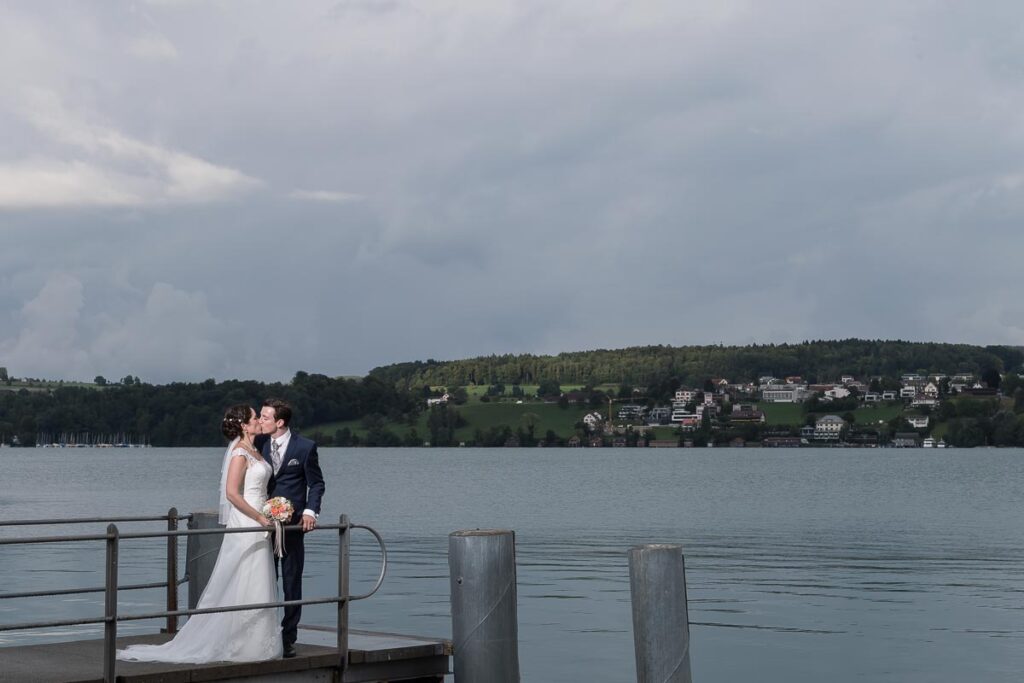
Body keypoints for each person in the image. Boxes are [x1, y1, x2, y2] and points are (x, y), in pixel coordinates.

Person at [118, 405, 283, 663]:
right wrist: (261, 517)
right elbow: (231, 493)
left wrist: (272, 510)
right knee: (240, 575)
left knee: (257, 578)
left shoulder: (255, 450)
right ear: (243, 425)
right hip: (248, 520)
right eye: (254, 418)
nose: (258, 421)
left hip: (261, 517)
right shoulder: (240, 452)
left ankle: (255, 642)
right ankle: (238, 642)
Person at [258, 398, 325, 659]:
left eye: (264, 417)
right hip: (260, 525)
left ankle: (288, 639)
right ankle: (261, 634)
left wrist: (310, 511)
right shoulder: (257, 443)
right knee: (261, 579)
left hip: (293, 525)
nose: (259, 421)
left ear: (280, 422)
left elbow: (316, 484)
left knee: (291, 581)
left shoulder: (305, 447)